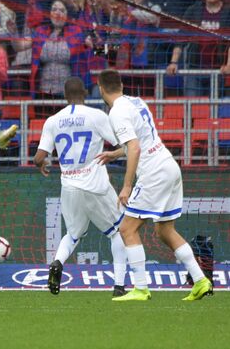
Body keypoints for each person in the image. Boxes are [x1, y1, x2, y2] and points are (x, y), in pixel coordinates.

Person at [96, 69, 213, 301]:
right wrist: (116, 153)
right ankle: (200, 280)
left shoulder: (116, 112)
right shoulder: (136, 101)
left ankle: (140, 288)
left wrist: (127, 186)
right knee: (164, 230)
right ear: (120, 84)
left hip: (154, 173)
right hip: (169, 165)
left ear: (100, 88)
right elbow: (141, 141)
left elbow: (136, 148)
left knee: (127, 228)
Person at [33, 77, 127, 297]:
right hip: (96, 185)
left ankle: (57, 262)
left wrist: (43, 164)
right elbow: (123, 144)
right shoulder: (97, 116)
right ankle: (120, 286)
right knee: (118, 232)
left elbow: (39, 157)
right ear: (85, 93)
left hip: (69, 187)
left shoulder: (53, 120)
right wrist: (115, 155)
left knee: (73, 234)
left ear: (65, 96)